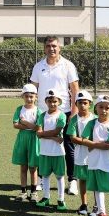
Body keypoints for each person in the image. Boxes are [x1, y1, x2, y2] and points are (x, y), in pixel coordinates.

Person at [30, 36, 80, 195]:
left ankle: (72, 180)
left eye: (54, 46)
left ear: (59, 48)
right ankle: (41, 179)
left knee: (68, 146)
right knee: (41, 146)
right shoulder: (38, 66)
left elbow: (75, 90)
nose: (51, 49)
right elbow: (33, 89)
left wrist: (74, 111)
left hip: (63, 112)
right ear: (44, 48)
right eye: (48, 46)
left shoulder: (68, 65)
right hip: (42, 113)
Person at [80, 95, 109, 216]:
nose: (104, 110)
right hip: (94, 160)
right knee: (97, 187)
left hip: (108, 161)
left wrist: (94, 144)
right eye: (101, 107)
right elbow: (84, 139)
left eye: (107, 108)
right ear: (96, 108)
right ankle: (102, 214)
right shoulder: (91, 123)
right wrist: (98, 144)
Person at [35, 89, 68, 211]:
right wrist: (53, 138)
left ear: (59, 102)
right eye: (50, 101)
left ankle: (61, 199)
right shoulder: (42, 115)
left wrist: (45, 134)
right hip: (44, 151)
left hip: (58, 152)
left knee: (59, 177)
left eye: (55, 101)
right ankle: (46, 197)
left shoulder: (62, 115)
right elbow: (38, 134)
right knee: (45, 176)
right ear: (46, 102)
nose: (52, 103)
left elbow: (56, 131)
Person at [65, 90, 97, 216]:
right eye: (79, 103)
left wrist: (88, 143)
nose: (82, 105)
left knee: (94, 181)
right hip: (80, 155)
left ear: (90, 104)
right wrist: (89, 143)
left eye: (85, 103)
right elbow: (72, 138)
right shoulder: (74, 120)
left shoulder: (95, 119)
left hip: (94, 155)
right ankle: (84, 205)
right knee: (82, 180)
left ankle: (96, 206)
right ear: (76, 104)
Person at [11, 84, 42, 202]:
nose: (29, 99)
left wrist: (24, 123)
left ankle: (34, 192)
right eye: (27, 96)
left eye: (32, 96)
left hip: (34, 139)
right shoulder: (19, 109)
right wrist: (28, 125)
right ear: (23, 96)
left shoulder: (38, 111)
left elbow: (37, 128)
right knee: (23, 166)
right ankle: (23, 191)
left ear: (36, 97)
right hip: (22, 138)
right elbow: (15, 124)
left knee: (33, 167)